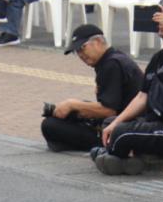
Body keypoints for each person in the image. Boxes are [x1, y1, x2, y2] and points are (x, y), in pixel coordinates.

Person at [93, 0, 163, 174]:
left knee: (122, 133)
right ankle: (124, 158)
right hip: (155, 123)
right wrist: (116, 122)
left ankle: (115, 156)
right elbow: (142, 97)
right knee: (111, 124)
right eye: (158, 16)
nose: (162, 21)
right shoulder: (157, 58)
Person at [41, 24, 144, 152]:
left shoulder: (111, 64)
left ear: (98, 41)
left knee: (50, 125)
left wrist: (72, 105)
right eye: (77, 51)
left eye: (82, 48)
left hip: (123, 129)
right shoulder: (115, 58)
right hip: (125, 123)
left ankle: (102, 145)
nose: (80, 55)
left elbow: (109, 111)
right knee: (72, 113)